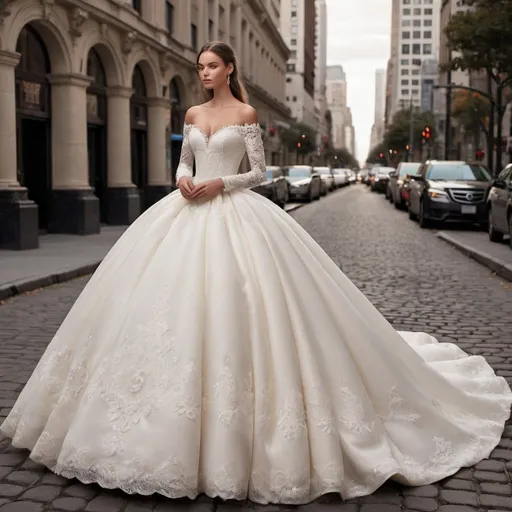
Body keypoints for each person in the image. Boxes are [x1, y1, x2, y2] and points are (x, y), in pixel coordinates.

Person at [1, 41, 510, 506]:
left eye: (212, 66)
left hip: (233, 212)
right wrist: (182, 180)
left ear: (229, 69)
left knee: (239, 305)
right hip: (182, 215)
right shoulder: (193, 111)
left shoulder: (244, 112)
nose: (204, 73)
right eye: (199, 66)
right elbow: (181, 159)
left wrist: (219, 182)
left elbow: (259, 173)